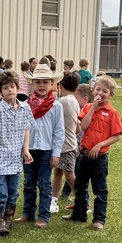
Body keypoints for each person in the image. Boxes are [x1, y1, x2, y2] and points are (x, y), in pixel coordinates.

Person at [64, 75, 122, 230]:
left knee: (100, 189)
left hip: (100, 157)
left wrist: (101, 145)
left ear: (111, 95)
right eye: (98, 89)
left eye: (105, 91)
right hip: (84, 155)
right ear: (93, 90)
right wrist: (93, 108)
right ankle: (79, 214)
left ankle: (99, 219)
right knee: (80, 186)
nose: (100, 93)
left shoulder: (112, 113)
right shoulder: (87, 107)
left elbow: (116, 135)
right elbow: (83, 126)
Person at [0, 69, 33, 234]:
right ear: (0, 91)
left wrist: (25, 150)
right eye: (5, 88)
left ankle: (8, 219)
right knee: (0, 192)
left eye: (12, 86)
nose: (10, 90)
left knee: (13, 191)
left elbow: (26, 129)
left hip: (15, 159)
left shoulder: (25, 108)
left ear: (17, 87)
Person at [17, 62, 64, 228]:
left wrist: (56, 153)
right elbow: (22, 128)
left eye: (45, 82)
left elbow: (59, 131)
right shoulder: (26, 105)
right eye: (38, 82)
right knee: (29, 182)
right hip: (29, 149)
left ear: (52, 84)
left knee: (44, 183)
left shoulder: (56, 106)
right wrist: (22, 148)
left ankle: (43, 215)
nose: (42, 85)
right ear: (32, 84)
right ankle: (28, 213)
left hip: (46, 150)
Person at [50, 72, 80, 214]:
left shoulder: (63, 102)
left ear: (60, 86)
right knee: (58, 174)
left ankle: (82, 201)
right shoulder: (72, 100)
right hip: (65, 144)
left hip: (66, 145)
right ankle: (53, 200)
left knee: (69, 175)